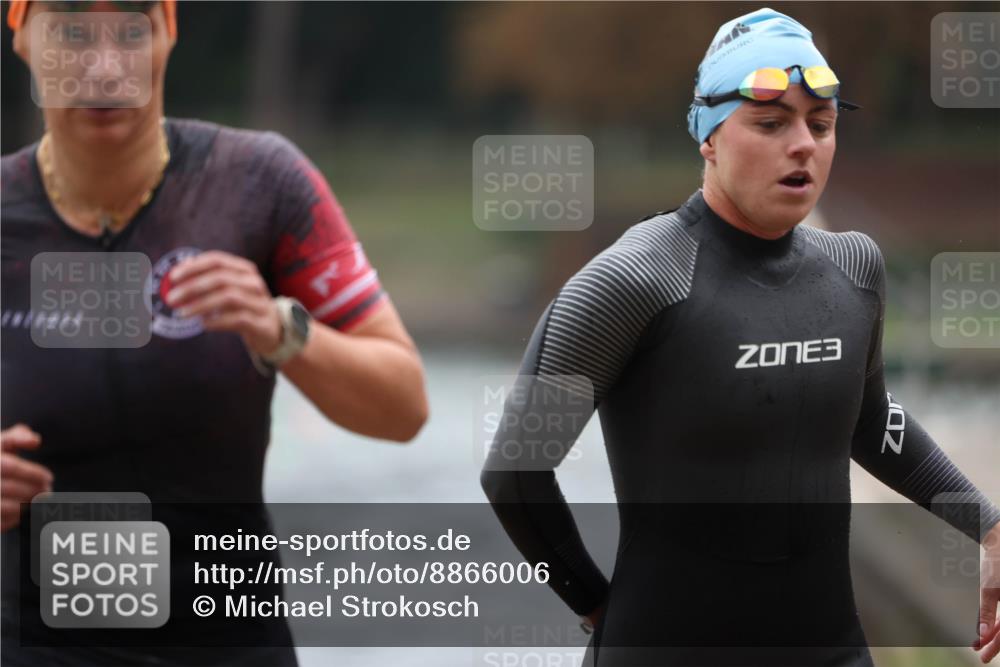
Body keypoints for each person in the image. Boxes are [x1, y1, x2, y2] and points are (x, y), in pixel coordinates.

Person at [481, 8, 1000, 666]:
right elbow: (515, 472)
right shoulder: (633, 280)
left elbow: (870, 422)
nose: (802, 144)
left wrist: (988, 526)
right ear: (709, 135)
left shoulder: (853, 269)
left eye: (820, 123)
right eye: (770, 122)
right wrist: (592, 601)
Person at [1, 1, 428, 665]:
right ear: (22, 37)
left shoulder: (260, 184)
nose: (105, 68)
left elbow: (404, 405)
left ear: (169, 32)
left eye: (132, 30)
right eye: (72, 32)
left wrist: (281, 331)